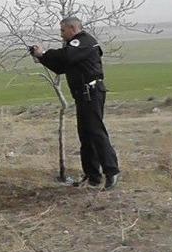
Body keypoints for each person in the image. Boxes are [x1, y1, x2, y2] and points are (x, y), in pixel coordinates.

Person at [30, 17, 120, 190]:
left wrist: (44, 53)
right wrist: (41, 58)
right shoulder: (74, 48)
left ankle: (112, 171)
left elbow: (66, 56)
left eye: (63, 30)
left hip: (91, 93)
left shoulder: (84, 42)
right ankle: (92, 176)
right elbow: (60, 66)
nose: (61, 34)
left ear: (72, 28)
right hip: (83, 95)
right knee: (85, 135)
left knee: (96, 132)